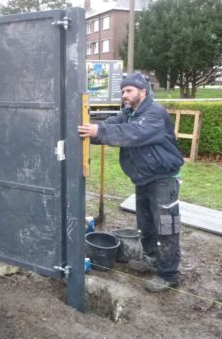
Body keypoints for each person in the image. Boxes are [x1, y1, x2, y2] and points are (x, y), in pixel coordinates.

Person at [78, 73, 184, 292]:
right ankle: (150, 259)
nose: (124, 95)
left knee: (166, 227)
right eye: (123, 91)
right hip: (143, 179)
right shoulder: (127, 114)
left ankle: (169, 275)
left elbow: (133, 135)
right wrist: (84, 130)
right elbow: (106, 129)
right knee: (145, 225)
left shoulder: (155, 113)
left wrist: (100, 130)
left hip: (163, 179)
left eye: (129, 91)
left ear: (143, 92)